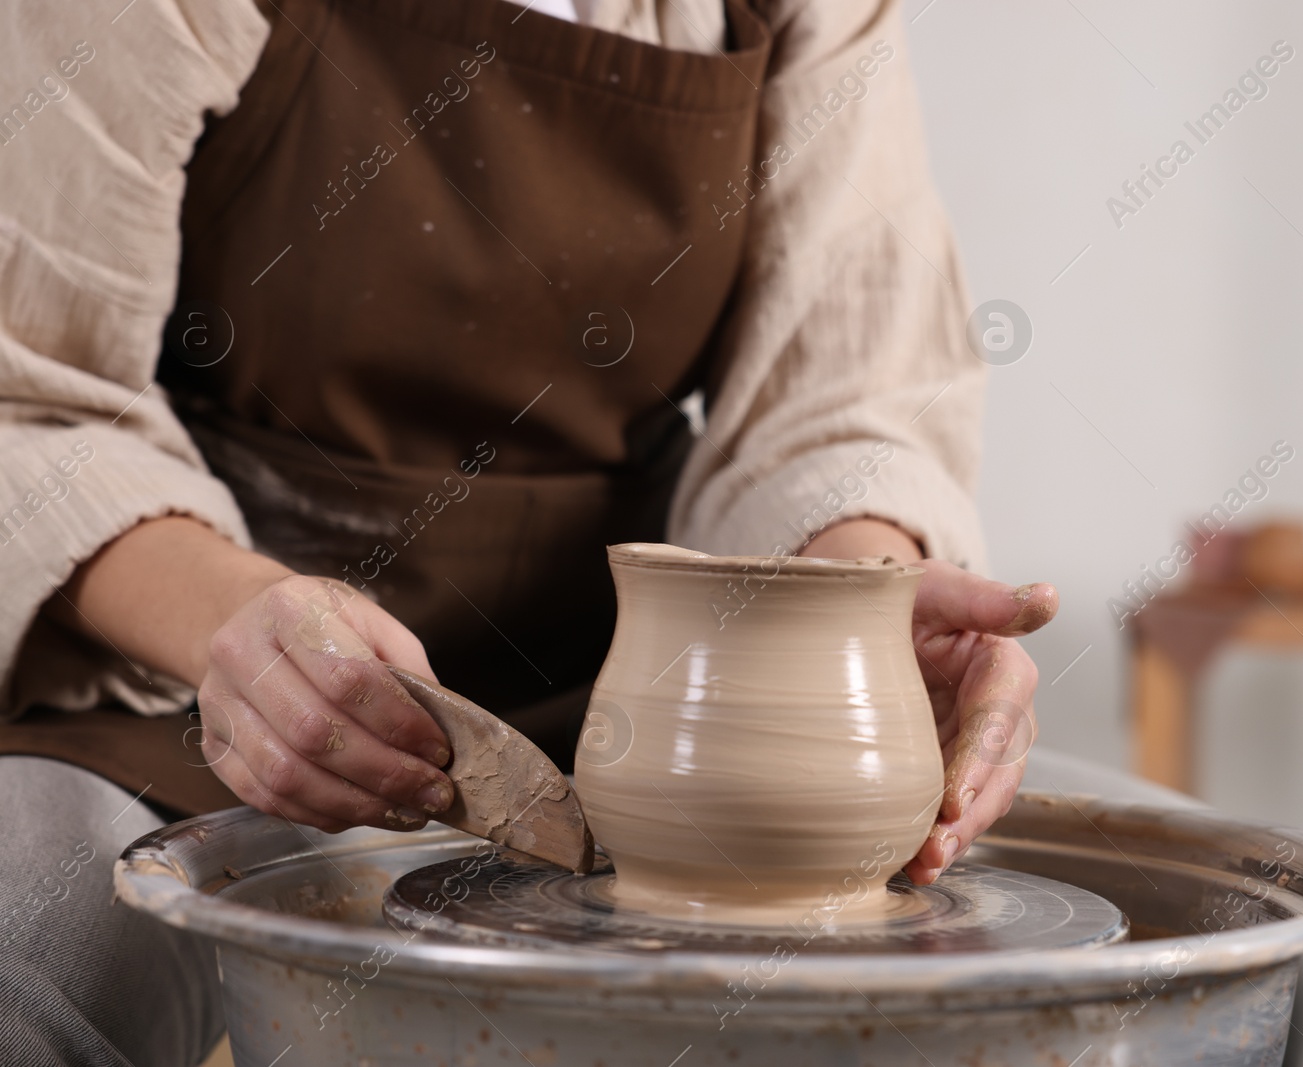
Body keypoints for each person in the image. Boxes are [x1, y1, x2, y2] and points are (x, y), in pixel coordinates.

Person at [0, 1, 1059, 1062]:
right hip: (206, 683)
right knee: (24, 962)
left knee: (1118, 962)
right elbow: (31, 400)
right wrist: (236, 620)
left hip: (647, 698)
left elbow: (837, 397)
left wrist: (853, 612)